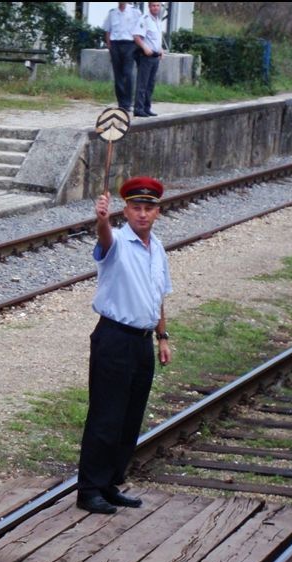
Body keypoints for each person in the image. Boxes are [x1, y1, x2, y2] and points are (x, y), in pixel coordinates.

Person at [76, 176, 173, 514]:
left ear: (157, 212)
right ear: (126, 211)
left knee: (130, 417)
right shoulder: (115, 240)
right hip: (114, 337)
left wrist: (162, 337)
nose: (142, 214)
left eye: (148, 208)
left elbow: (157, 295)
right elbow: (103, 239)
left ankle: (109, 483)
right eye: (136, 208)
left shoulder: (157, 248)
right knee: (106, 414)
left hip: (142, 342)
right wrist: (101, 220)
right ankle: (89, 489)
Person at [103, 2, 143, 113]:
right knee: (118, 75)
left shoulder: (135, 11)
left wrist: (139, 45)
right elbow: (107, 30)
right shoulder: (112, 13)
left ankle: (128, 102)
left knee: (127, 73)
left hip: (129, 44)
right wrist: (109, 46)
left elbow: (141, 28)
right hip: (115, 44)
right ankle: (121, 103)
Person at [133, 2, 164, 117]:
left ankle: (147, 107)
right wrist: (144, 47)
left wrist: (161, 49)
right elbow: (136, 36)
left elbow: (156, 39)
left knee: (150, 85)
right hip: (146, 56)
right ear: (149, 7)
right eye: (153, 5)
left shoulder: (157, 20)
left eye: (157, 5)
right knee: (143, 84)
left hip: (155, 56)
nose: (156, 7)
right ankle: (138, 109)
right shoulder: (144, 19)